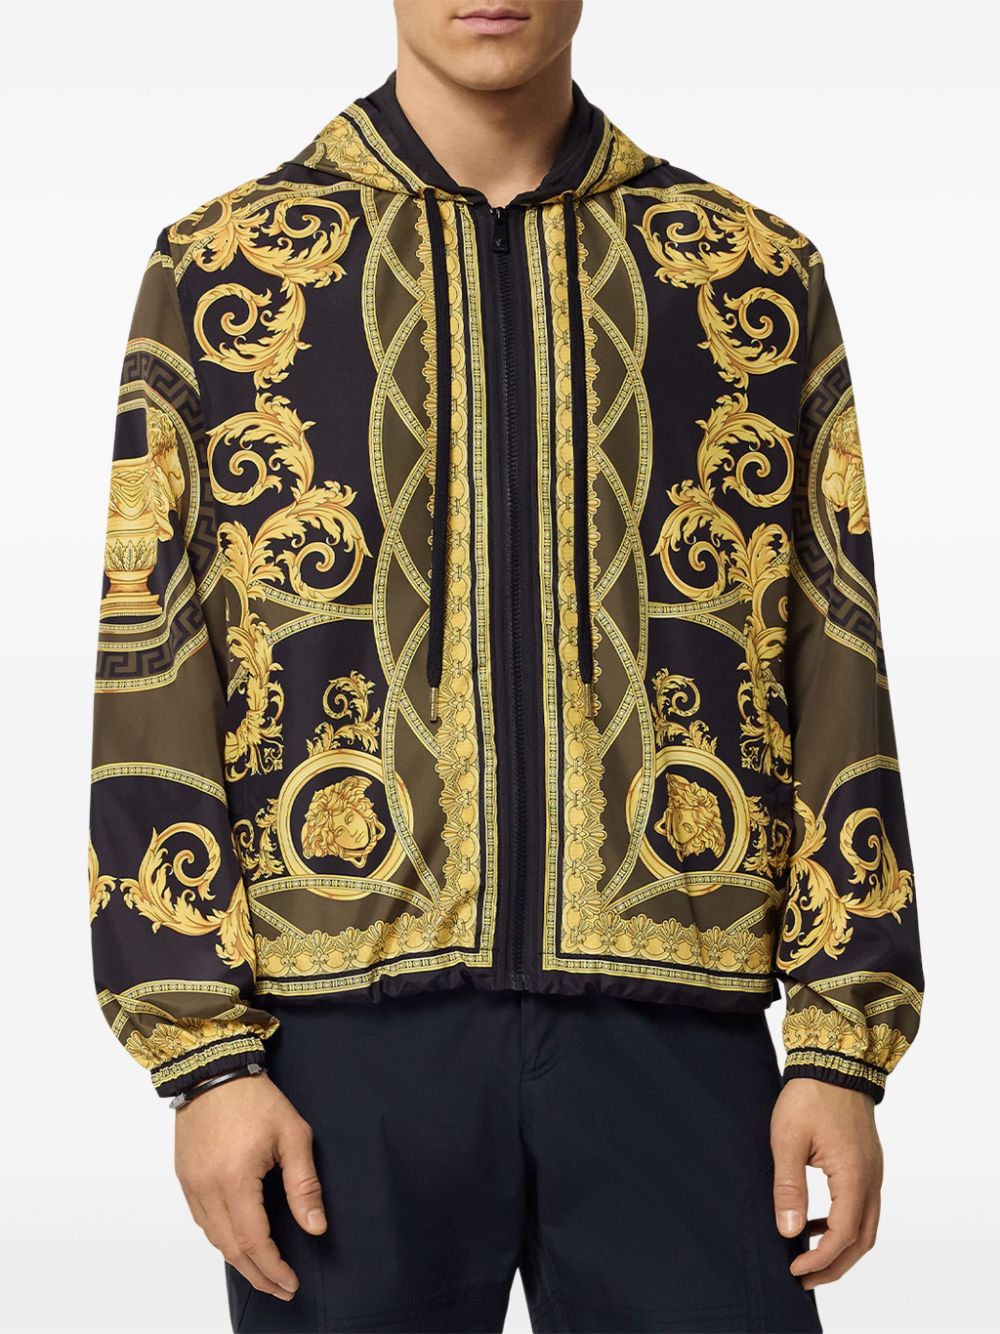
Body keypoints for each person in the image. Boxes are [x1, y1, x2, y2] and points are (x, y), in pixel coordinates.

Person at [87, 2, 924, 1331]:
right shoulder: (221, 267)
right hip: (340, 1044)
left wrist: (841, 1042)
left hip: (680, 1027)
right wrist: (204, 1058)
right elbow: (153, 656)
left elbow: (836, 649)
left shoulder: (748, 276)